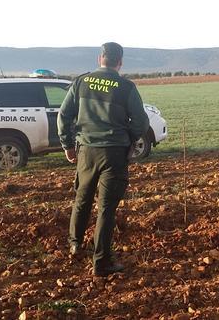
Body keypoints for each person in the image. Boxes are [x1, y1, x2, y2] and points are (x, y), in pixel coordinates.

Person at [57, 42, 150, 276]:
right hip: (114, 153)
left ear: (101, 58)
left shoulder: (81, 82)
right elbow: (141, 122)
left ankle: (75, 244)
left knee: (82, 199)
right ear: (120, 62)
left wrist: (68, 145)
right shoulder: (126, 87)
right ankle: (102, 262)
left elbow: (63, 115)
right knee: (106, 208)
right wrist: (127, 138)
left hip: (86, 151)